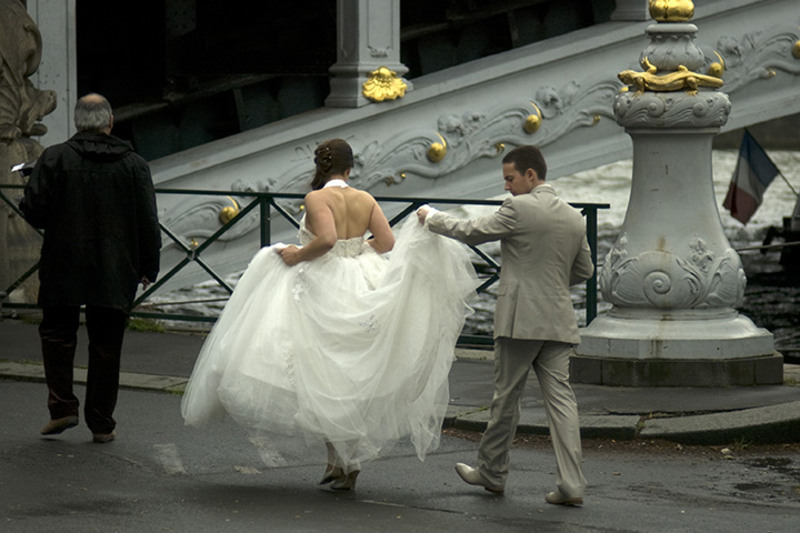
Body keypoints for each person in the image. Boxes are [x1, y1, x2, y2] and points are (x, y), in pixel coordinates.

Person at [181, 138, 477, 490]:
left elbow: (325, 240)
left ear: (319, 168)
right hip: (361, 278)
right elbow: (387, 244)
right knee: (348, 375)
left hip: (324, 280)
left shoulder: (316, 198)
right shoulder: (365, 198)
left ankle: (339, 461)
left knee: (319, 372)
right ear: (350, 169)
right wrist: (357, 248)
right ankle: (342, 460)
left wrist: (295, 255)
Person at [417, 144, 594, 505]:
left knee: (506, 399)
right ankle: (572, 484)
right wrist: (551, 285)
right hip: (560, 319)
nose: (507, 187)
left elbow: (470, 230)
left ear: (531, 175)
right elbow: (585, 271)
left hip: (519, 320)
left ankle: (493, 472)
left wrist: (431, 217)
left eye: (510, 179)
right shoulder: (574, 217)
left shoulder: (518, 208)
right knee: (562, 403)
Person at [19, 93, 161, 444]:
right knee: (106, 344)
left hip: (63, 262)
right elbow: (148, 221)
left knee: (56, 334)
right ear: (110, 122)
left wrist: (30, 182)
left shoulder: (54, 158)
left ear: (77, 122)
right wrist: (148, 266)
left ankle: (62, 406)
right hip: (116, 266)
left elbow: (34, 212)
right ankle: (101, 422)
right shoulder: (134, 164)